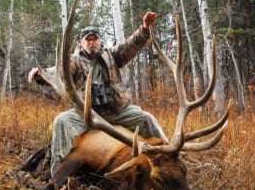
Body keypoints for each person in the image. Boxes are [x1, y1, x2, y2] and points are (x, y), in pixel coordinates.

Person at [28, 12, 169, 177]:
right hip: (87, 114)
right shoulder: (75, 60)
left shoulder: (113, 55)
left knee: (147, 118)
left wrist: (145, 29)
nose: (91, 42)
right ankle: (57, 175)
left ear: (100, 41)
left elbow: (131, 46)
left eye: (94, 39)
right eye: (87, 40)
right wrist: (42, 74)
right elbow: (60, 70)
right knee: (61, 121)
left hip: (116, 111)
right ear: (81, 43)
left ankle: (170, 156)